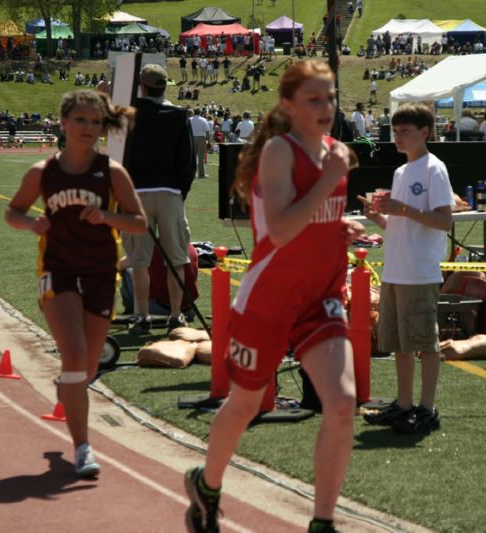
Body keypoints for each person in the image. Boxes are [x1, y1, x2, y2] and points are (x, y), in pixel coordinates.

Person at [184, 60, 363, 533]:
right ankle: (207, 484)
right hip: (269, 298)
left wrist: (338, 228)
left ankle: (323, 521)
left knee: (342, 404)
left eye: (330, 98)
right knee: (246, 404)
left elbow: (312, 220)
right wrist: (329, 180)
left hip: (320, 297)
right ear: (288, 105)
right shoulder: (280, 154)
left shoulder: (337, 152)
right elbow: (281, 230)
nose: (326, 108)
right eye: (314, 99)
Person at [4, 90, 147, 478]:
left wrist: (106, 216)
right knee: (74, 356)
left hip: (101, 272)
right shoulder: (42, 172)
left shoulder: (111, 172)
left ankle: (69, 389)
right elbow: (12, 211)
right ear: (63, 123)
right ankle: (83, 448)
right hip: (58, 270)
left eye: (95, 122)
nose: (88, 128)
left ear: (103, 127)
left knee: (84, 370)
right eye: (80, 120)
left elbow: (139, 222)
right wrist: (30, 222)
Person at [358, 103, 454, 434]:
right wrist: (377, 217)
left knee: (424, 342)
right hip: (396, 271)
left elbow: (444, 220)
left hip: (419, 270)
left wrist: (404, 209)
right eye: (395, 132)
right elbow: (399, 224)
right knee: (400, 342)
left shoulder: (433, 169)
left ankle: (426, 408)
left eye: (405, 132)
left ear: (424, 133)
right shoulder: (402, 172)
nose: (397, 137)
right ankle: (403, 404)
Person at [122, 64, 196, 335]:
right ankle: (175, 317)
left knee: (139, 260)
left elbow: (120, 154)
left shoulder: (130, 113)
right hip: (169, 193)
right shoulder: (178, 115)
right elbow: (187, 161)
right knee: (176, 258)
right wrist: (180, 193)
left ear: (142, 86)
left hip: (136, 192)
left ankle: (142, 318)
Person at [189, 108, 211, 179]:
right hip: (201, 138)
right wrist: (209, 141)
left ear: (194, 112)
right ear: (200, 112)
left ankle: (192, 173)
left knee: (192, 158)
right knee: (201, 158)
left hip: (192, 138)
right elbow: (207, 131)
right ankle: (201, 174)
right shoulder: (203, 120)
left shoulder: (190, 119)